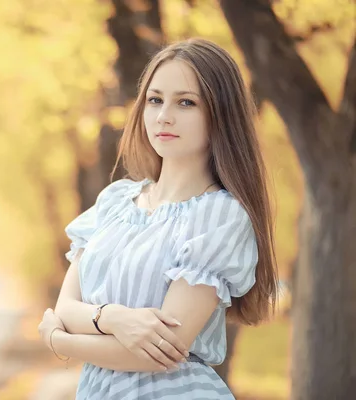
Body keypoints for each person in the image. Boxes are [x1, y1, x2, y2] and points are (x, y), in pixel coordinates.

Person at [37, 38, 279, 399]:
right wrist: (114, 318)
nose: (164, 115)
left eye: (186, 102)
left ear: (220, 115)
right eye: (155, 100)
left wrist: (59, 340)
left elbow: (163, 352)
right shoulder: (115, 202)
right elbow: (67, 307)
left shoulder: (218, 216)